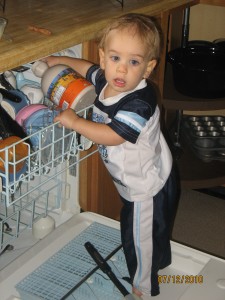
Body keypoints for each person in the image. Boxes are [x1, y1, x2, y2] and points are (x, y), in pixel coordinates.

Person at [44, 13, 178, 297]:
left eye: (134, 62)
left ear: (148, 68)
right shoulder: (106, 79)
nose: (122, 70)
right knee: (154, 227)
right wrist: (62, 62)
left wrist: (75, 123)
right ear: (104, 58)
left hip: (146, 185)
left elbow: (114, 136)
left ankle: (142, 286)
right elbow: (87, 68)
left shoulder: (139, 102)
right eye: (115, 58)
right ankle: (160, 261)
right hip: (140, 175)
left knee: (139, 237)